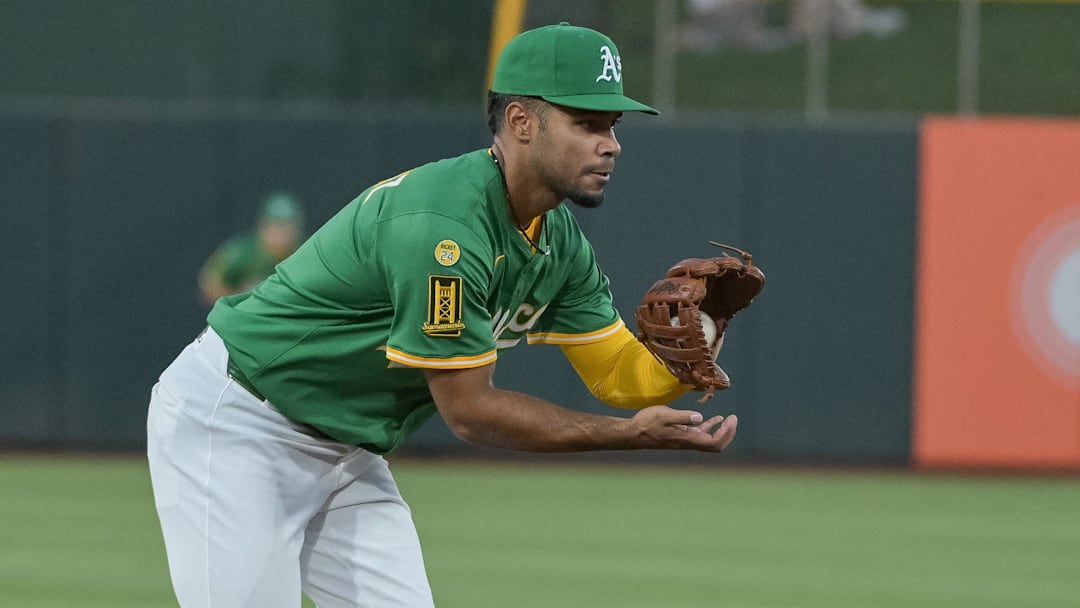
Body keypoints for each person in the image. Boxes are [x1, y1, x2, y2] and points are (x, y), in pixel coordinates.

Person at [147, 22, 738, 608]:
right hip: (240, 422)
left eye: (612, 126)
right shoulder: (445, 227)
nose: (610, 143)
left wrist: (692, 350)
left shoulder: (560, 245)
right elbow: (471, 413)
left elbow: (617, 374)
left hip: (346, 451)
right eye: (587, 123)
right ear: (521, 122)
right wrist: (624, 438)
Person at [197, 191, 305, 305]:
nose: (281, 235)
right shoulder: (242, 251)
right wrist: (242, 299)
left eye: (287, 227)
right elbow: (209, 284)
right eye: (275, 226)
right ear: (262, 225)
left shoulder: (304, 253)